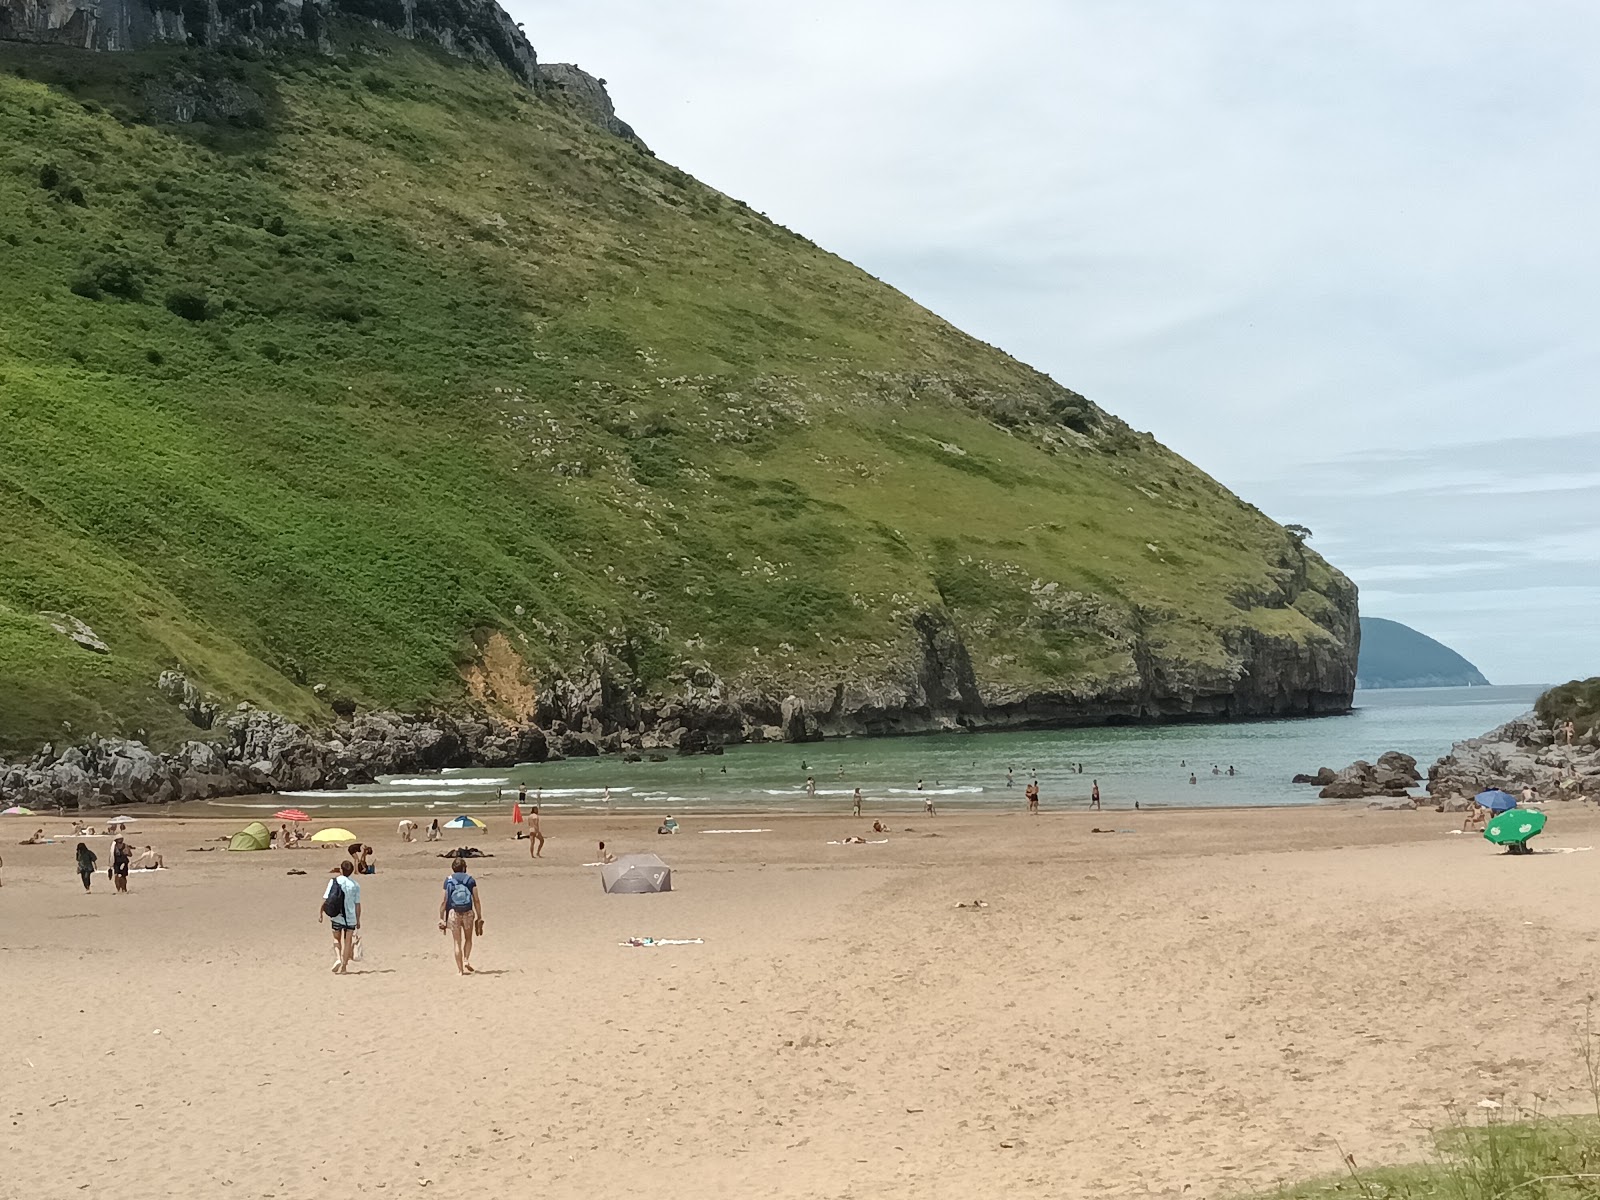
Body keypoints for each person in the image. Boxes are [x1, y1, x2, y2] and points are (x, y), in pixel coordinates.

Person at [439, 856, 482, 975]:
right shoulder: (470, 880)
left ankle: (460, 971)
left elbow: (444, 901)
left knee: (457, 942)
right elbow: (476, 900)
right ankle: (466, 959)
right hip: (468, 912)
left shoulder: (448, 880)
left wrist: (442, 917)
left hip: (453, 913)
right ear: (464, 868)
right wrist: (479, 916)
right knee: (468, 939)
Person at [320, 862, 360, 974]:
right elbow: (357, 904)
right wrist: (358, 919)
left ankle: (338, 958)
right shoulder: (355, 885)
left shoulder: (334, 881)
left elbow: (326, 898)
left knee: (336, 939)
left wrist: (321, 912)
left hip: (337, 916)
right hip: (351, 917)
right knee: (348, 942)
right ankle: (344, 967)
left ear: (341, 870)